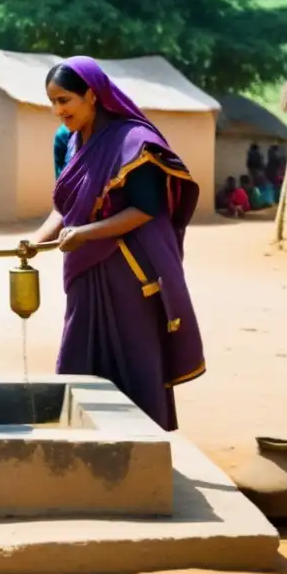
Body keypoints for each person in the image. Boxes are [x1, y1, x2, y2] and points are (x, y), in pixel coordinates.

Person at [26, 57, 205, 431]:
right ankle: (83, 445)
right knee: (80, 350)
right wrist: (35, 240)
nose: (58, 111)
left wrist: (84, 234)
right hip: (84, 269)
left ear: (91, 95)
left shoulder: (134, 142)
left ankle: (142, 448)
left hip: (131, 270)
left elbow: (144, 210)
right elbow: (67, 208)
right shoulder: (68, 142)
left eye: (65, 100)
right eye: (53, 102)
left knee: (134, 356)